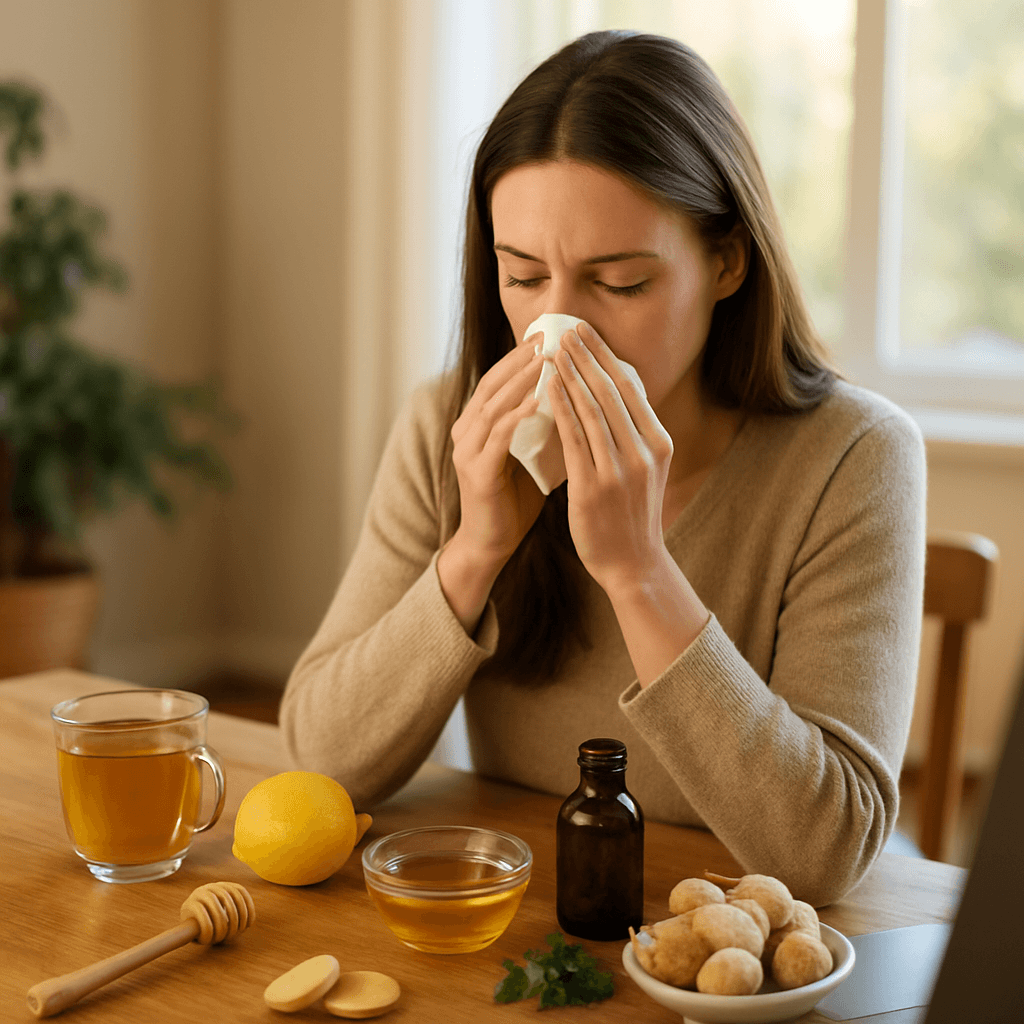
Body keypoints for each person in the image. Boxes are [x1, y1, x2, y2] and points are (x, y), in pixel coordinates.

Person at [280, 30, 926, 907]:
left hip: (715, 936)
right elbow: (320, 760)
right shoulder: (451, 424)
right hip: (526, 915)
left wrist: (639, 572)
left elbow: (822, 853)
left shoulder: (855, 458)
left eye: (619, 284)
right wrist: (474, 552)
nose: (561, 329)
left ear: (727, 262)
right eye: (523, 277)